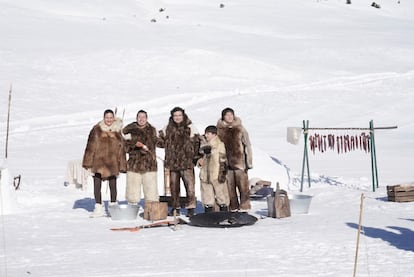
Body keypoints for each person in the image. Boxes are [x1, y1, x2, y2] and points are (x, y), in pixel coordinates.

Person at [82, 109, 127, 217]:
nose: (109, 120)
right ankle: (98, 207)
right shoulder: (97, 129)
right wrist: (88, 161)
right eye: (107, 117)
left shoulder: (117, 131)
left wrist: (122, 164)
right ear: (104, 118)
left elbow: (122, 148)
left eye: (111, 117)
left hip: (112, 162)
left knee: (113, 184)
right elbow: (90, 145)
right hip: (99, 162)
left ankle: (113, 207)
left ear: (114, 118)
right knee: (97, 184)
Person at [158, 107, 201, 217]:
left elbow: (197, 142)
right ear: (172, 117)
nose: (177, 117)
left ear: (183, 116)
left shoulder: (190, 127)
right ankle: (175, 207)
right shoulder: (167, 128)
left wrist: (196, 157)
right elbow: (160, 142)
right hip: (172, 162)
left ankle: (191, 208)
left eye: (179, 115)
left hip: (187, 162)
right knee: (174, 187)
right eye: (175, 116)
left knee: (190, 187)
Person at [217, 107, 253, 212]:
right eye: (227, 115)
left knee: (243, 187)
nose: (229, 117)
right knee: (229, 188)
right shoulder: (219, 130)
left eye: (231, 115)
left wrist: (248, 162)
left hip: (239, 163)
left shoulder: (240, 128)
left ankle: (245, 207)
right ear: (223, 117)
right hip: (226, 164)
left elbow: (247, 145)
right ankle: (233, 208)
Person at [122, 110, 159, 206]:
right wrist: (134, 144)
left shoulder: (153, 130)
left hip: (149, 164)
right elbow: (124, 146)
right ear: (136, 118)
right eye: (139, 117)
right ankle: (132, 207)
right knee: (132, 190)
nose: (141, 119)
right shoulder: (128, 130)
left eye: (143, 117)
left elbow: (160, 142)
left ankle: (152, 209)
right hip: (134, 164)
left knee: (151, 190)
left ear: (147, 118)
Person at [197, 125, 229, 213]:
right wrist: (199, 161)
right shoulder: (203, 146)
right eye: (206, 133)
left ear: (214, 135)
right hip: (205, 175)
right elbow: (199, 158)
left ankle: (224, 212)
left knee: (221, 195)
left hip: (216, 174)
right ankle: (208, 213)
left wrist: (222, 174)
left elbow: (223, 160)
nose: (206, 135)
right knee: (207, 195)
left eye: (208, 134)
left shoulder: (220, 145)